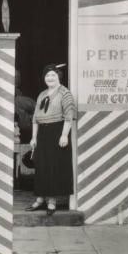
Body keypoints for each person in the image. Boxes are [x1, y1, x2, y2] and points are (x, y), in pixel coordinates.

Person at [26, 63, 76, 216]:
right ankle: (40, 199)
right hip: (43, 134)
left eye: (53, 75)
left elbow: (69, 115)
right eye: (47, 76)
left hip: (57, 131)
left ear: (58, 76)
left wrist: (64, 135)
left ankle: (52, 201)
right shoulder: (42, 94)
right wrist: (34, 137)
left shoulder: (65, 93)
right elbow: (35, 118)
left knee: (53, 167)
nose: (50, 78)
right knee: (42, 166)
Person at [14, 69, 36, 143]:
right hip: (22, 129)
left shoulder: (20, 96)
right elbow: (38, 108)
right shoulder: (19, 99)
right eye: (17, 76)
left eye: (18, 76)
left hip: (23, 129)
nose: (18, 78)